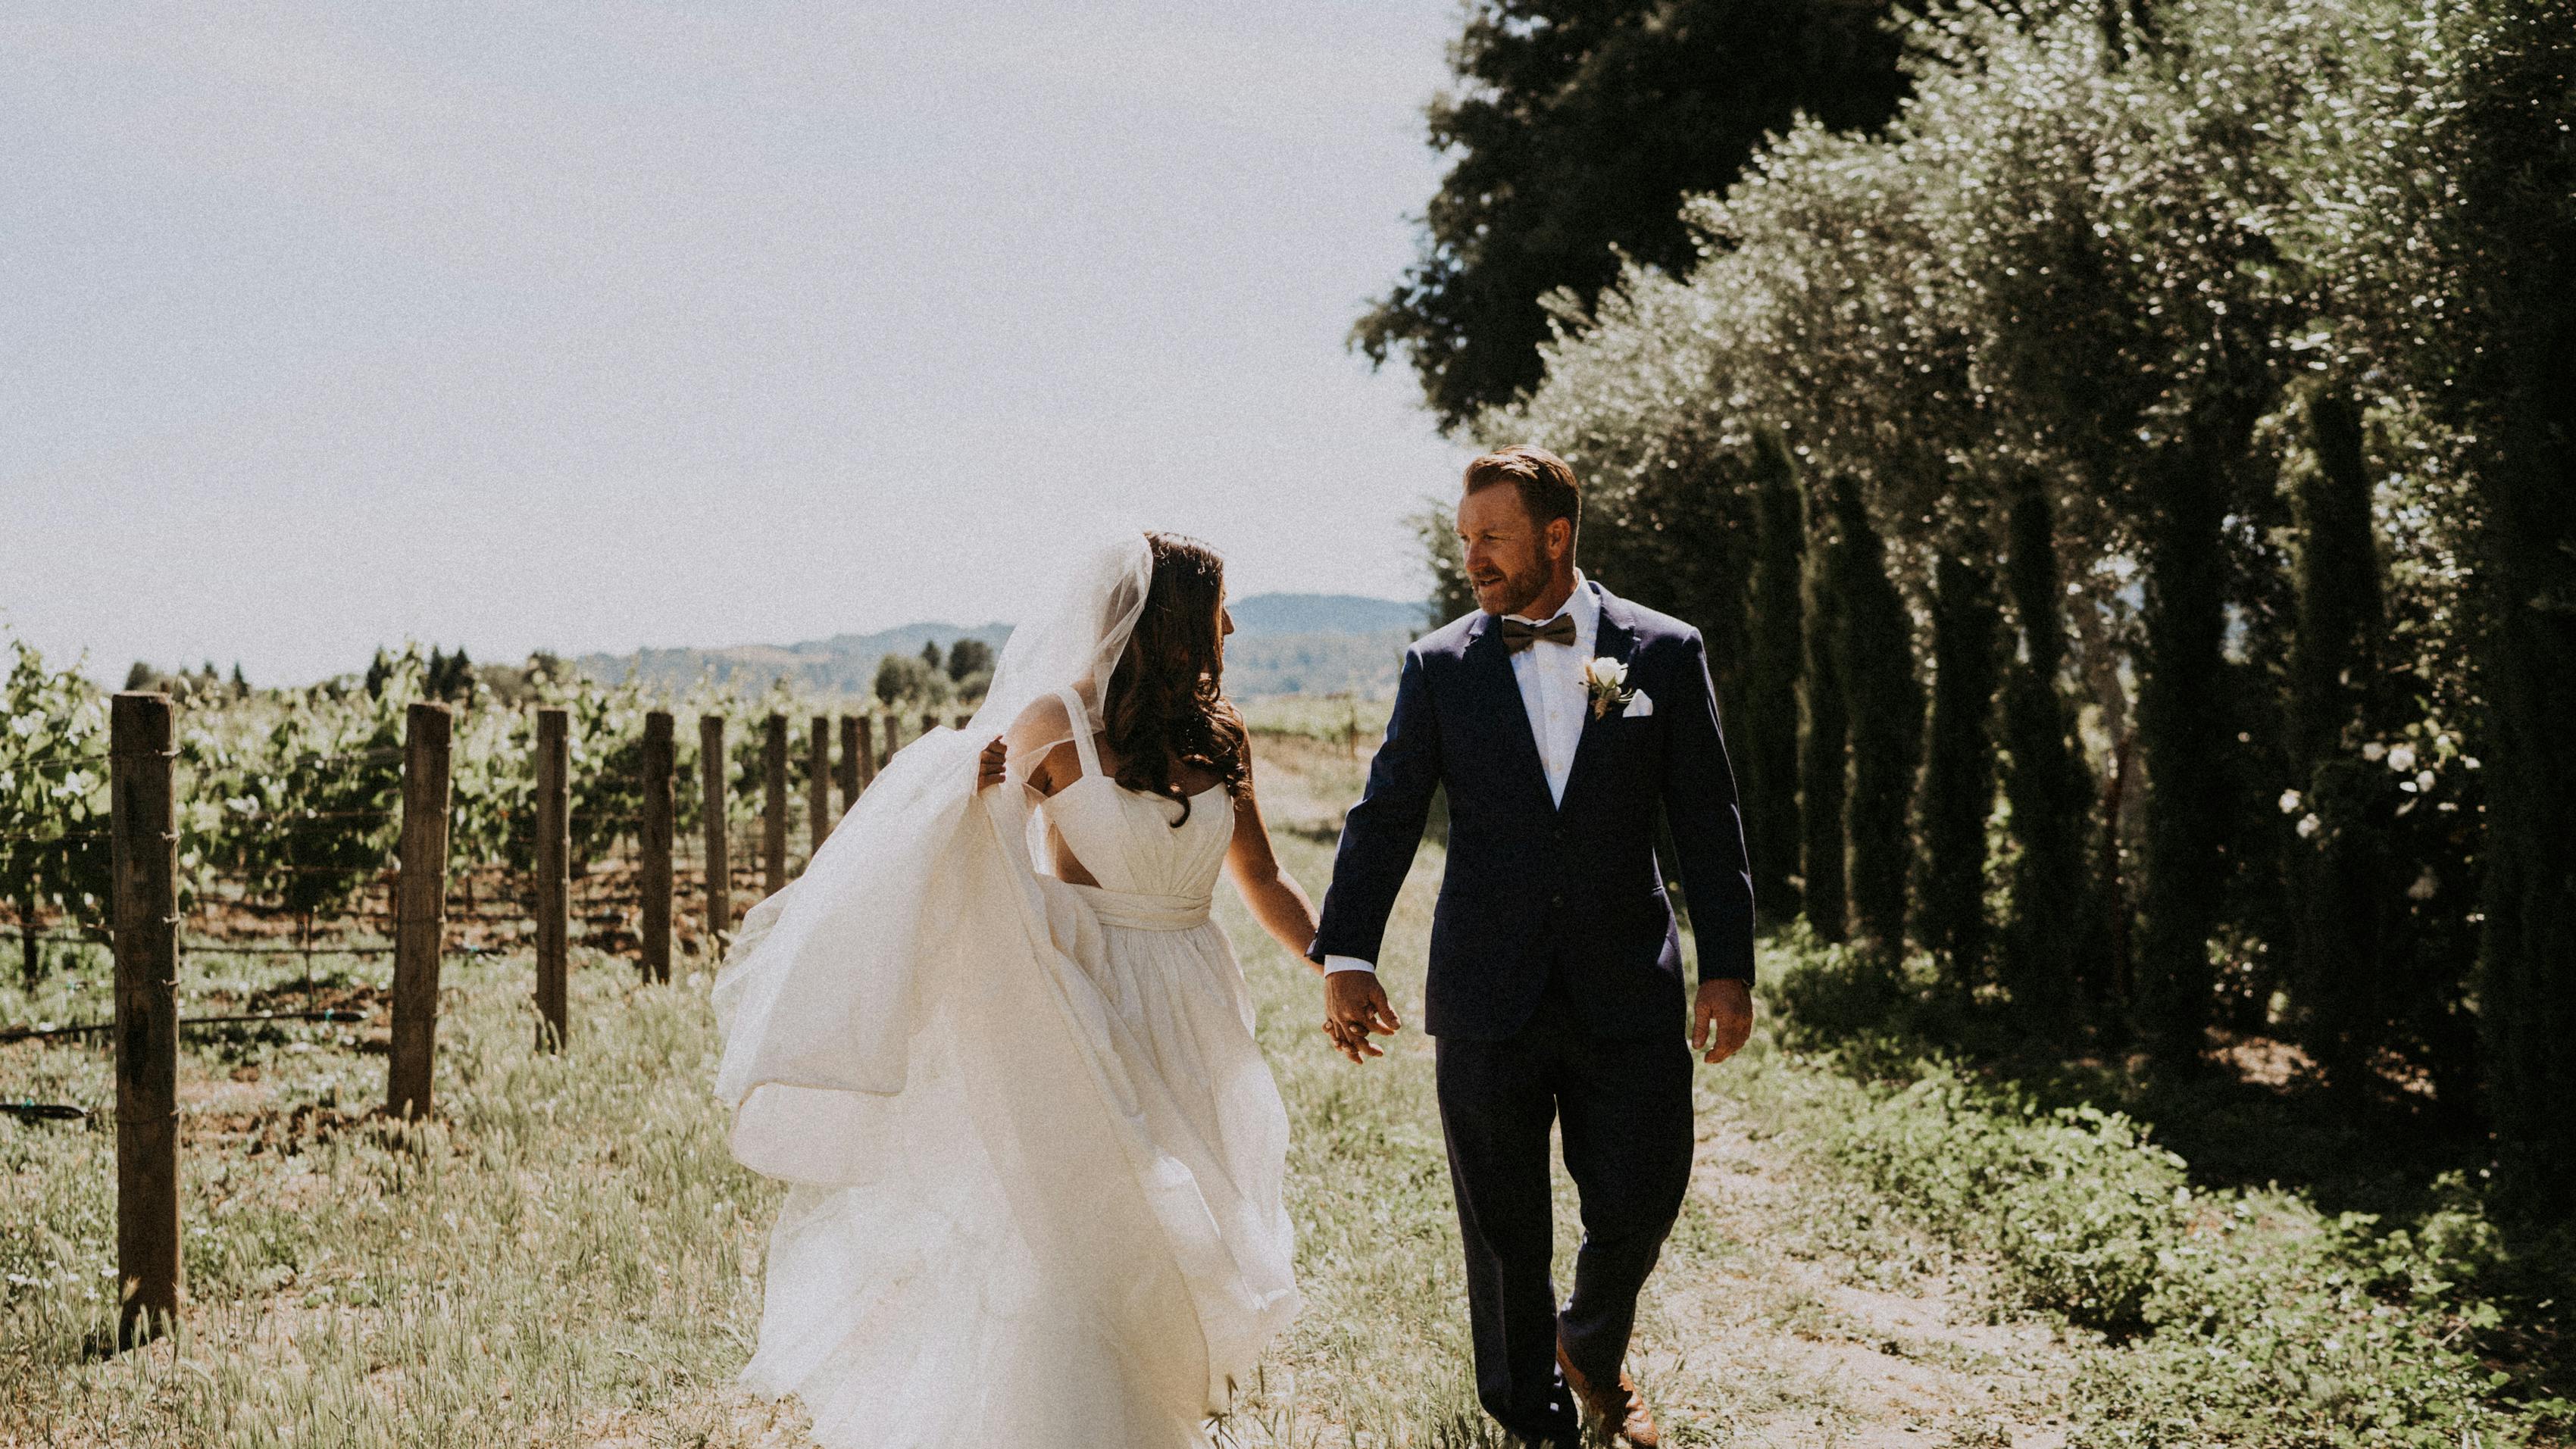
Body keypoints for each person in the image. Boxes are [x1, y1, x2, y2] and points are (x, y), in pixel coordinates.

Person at [711, 529, 1322, 1449]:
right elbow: (967, 845)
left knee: (1190, 1210)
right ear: (1169, 624)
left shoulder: (1220, 733)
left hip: (1198, 1004)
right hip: (1084, 997)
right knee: (1089, 1217)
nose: (1230, 623)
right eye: (1215, 607)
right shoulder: (1052, 724)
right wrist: (968, 789)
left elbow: (1265, 877)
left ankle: (1162, 1407)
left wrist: (1336, 963)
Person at [1310, 445, 1758, 1448]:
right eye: (1465, 538)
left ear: (1556, 537)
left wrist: (1728, 962)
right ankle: (1535, 1419)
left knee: (1646, 1188)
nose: (1473, 557)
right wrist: (1347, 951)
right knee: (1505, 1232)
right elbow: (1386, 814)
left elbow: (1707, 814)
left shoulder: (1661, 653)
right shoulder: (1438, 667)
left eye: (1493, 537)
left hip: (1628, 977)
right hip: (1486, 986)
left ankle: (1591, 1348)